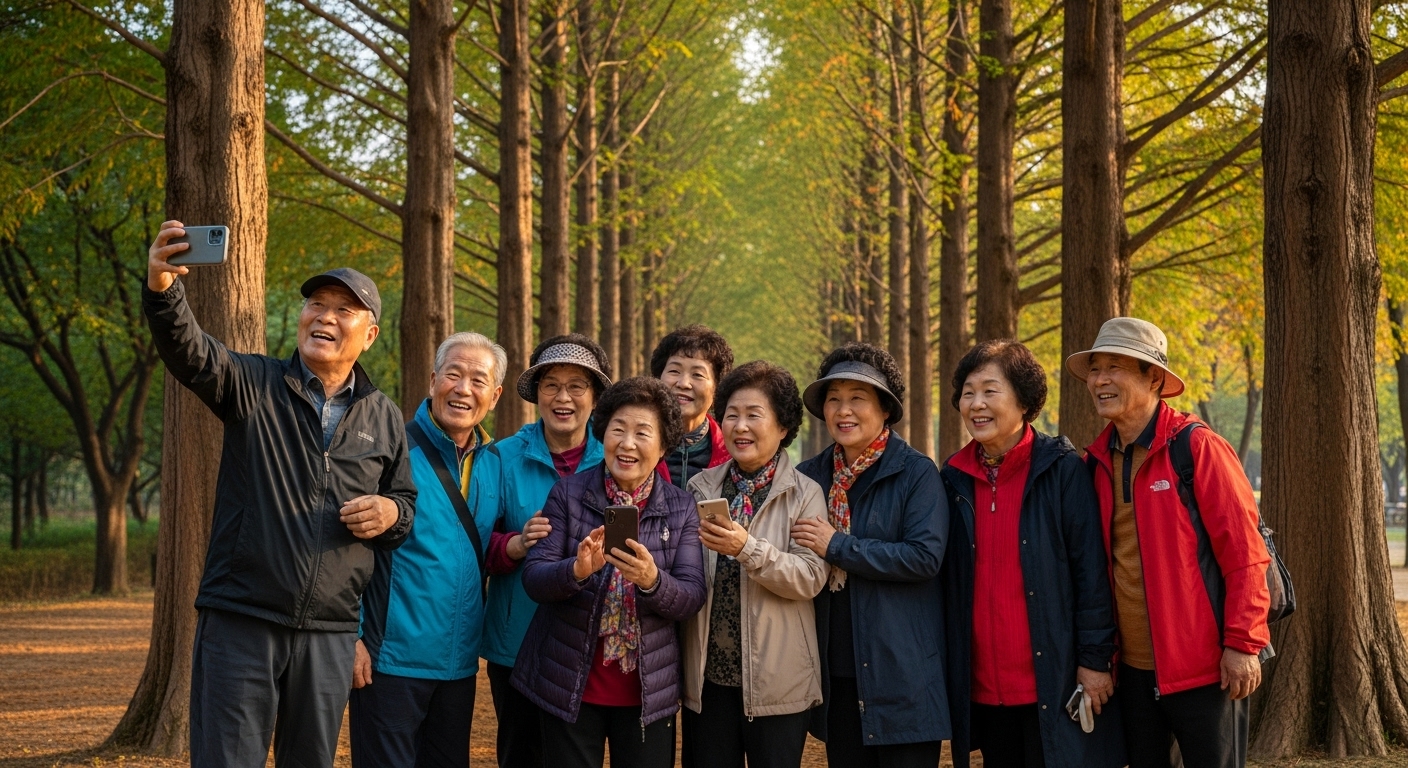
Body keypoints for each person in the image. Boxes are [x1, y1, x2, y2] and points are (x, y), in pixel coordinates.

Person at [142, 221, 415, 768]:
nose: (325, 317)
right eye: (317, 304)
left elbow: (404, 508)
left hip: (331, 633)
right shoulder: (254, 384)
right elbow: (190, 352)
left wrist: (390, 512)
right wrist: (163, 290)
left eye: (344, 310)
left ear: (370, 334)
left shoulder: (383, 415)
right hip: (242, 618)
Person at [1068, 317, 1271, 768]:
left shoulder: (1197, 448)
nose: (1100, 380)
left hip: (1206, 669)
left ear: (1154, 377)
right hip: (1132, 674)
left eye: (1116, 367)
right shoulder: (1095, 462)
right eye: (1096, 369)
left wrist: (1243, 643)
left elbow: (1246, 554)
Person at [939, 340, 1123, 768]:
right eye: (968, 393)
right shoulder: (952, 479)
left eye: (990, 391)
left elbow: (1091, 573)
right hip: (983, 686)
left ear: (1024, 401)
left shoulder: (1061, 470)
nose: (976, 404)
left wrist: (1095, 661)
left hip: (1052, 681)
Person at [510, 377, 707, 768]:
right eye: (618, 429)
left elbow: (692, 595)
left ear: (664, 445)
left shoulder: (681, 507)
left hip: (649, 692)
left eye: (642, 433)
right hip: (569, 683)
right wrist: (577, 570)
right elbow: (535, 577)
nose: (627, 443)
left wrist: (652, 580)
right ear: (604, 435)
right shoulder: (568, 493)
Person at [348, 332, 506, 768]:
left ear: (494, 396)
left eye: (478, 380)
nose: (463, 389)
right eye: (453, 374)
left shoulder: (495, 462)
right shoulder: (389, 448)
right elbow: (347, 549)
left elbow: (492, 547)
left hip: (458, 667)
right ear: (433, 379)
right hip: (390, 661)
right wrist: (352, 637)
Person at [791, 342, 949, 768]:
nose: (844, 410)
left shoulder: (916, 473)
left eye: (857, 398)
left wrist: (836, 544)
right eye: (834, 399)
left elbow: (923, 557)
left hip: (903, 674)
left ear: (884, 409)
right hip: (837, 675)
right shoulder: (809, 477)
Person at [681, 361, 829, 768]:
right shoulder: (701, 487)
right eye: (731, 414)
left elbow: (809, 577)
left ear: (783, 427)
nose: (740, 426)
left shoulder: (805, 494)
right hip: (709, 684)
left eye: (753, 415)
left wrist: (747, 548)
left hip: (779, 685)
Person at [484, 334, 613, 768]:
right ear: (536, 394)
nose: (563, 397)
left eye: (577, 386)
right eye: (551, 385)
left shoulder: (618, 458)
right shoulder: (501, 458)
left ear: (595, 397)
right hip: (517, 640)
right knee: (520, 755)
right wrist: (517, 544)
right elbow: (476, 546)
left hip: (589, 645)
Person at [649, 324, 734, 489]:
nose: (683, 384)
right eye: (674, 371)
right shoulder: (633, 444)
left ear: (717, 388)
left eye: (697, 375)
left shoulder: (733, 451)